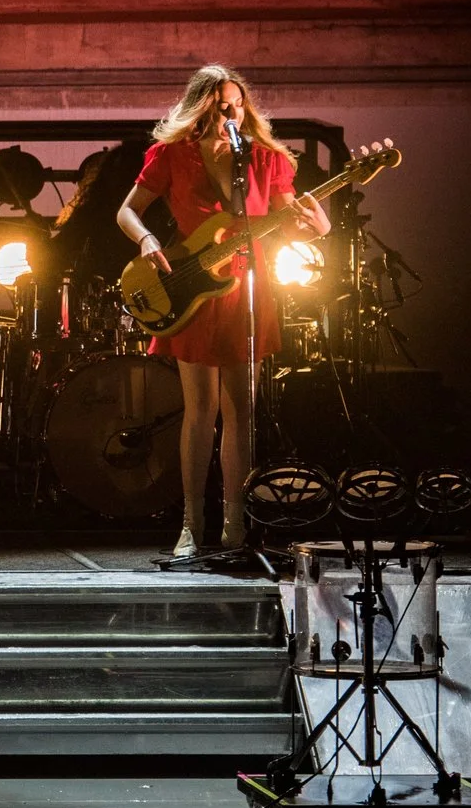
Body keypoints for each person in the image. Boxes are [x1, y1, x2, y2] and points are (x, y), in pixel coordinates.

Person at [115, 66, 328, 558]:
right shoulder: (172, 154)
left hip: (247, 287)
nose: (229, 111)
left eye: (235, 102)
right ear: (199, 106)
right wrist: (147, 238)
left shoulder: (265, 158)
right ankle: (192, 524)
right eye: (218, 103)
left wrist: (316, 226)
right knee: (200, 412)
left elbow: (287, 220)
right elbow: (127, 210)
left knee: (243, 411)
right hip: (191, 287)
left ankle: (236, 524)